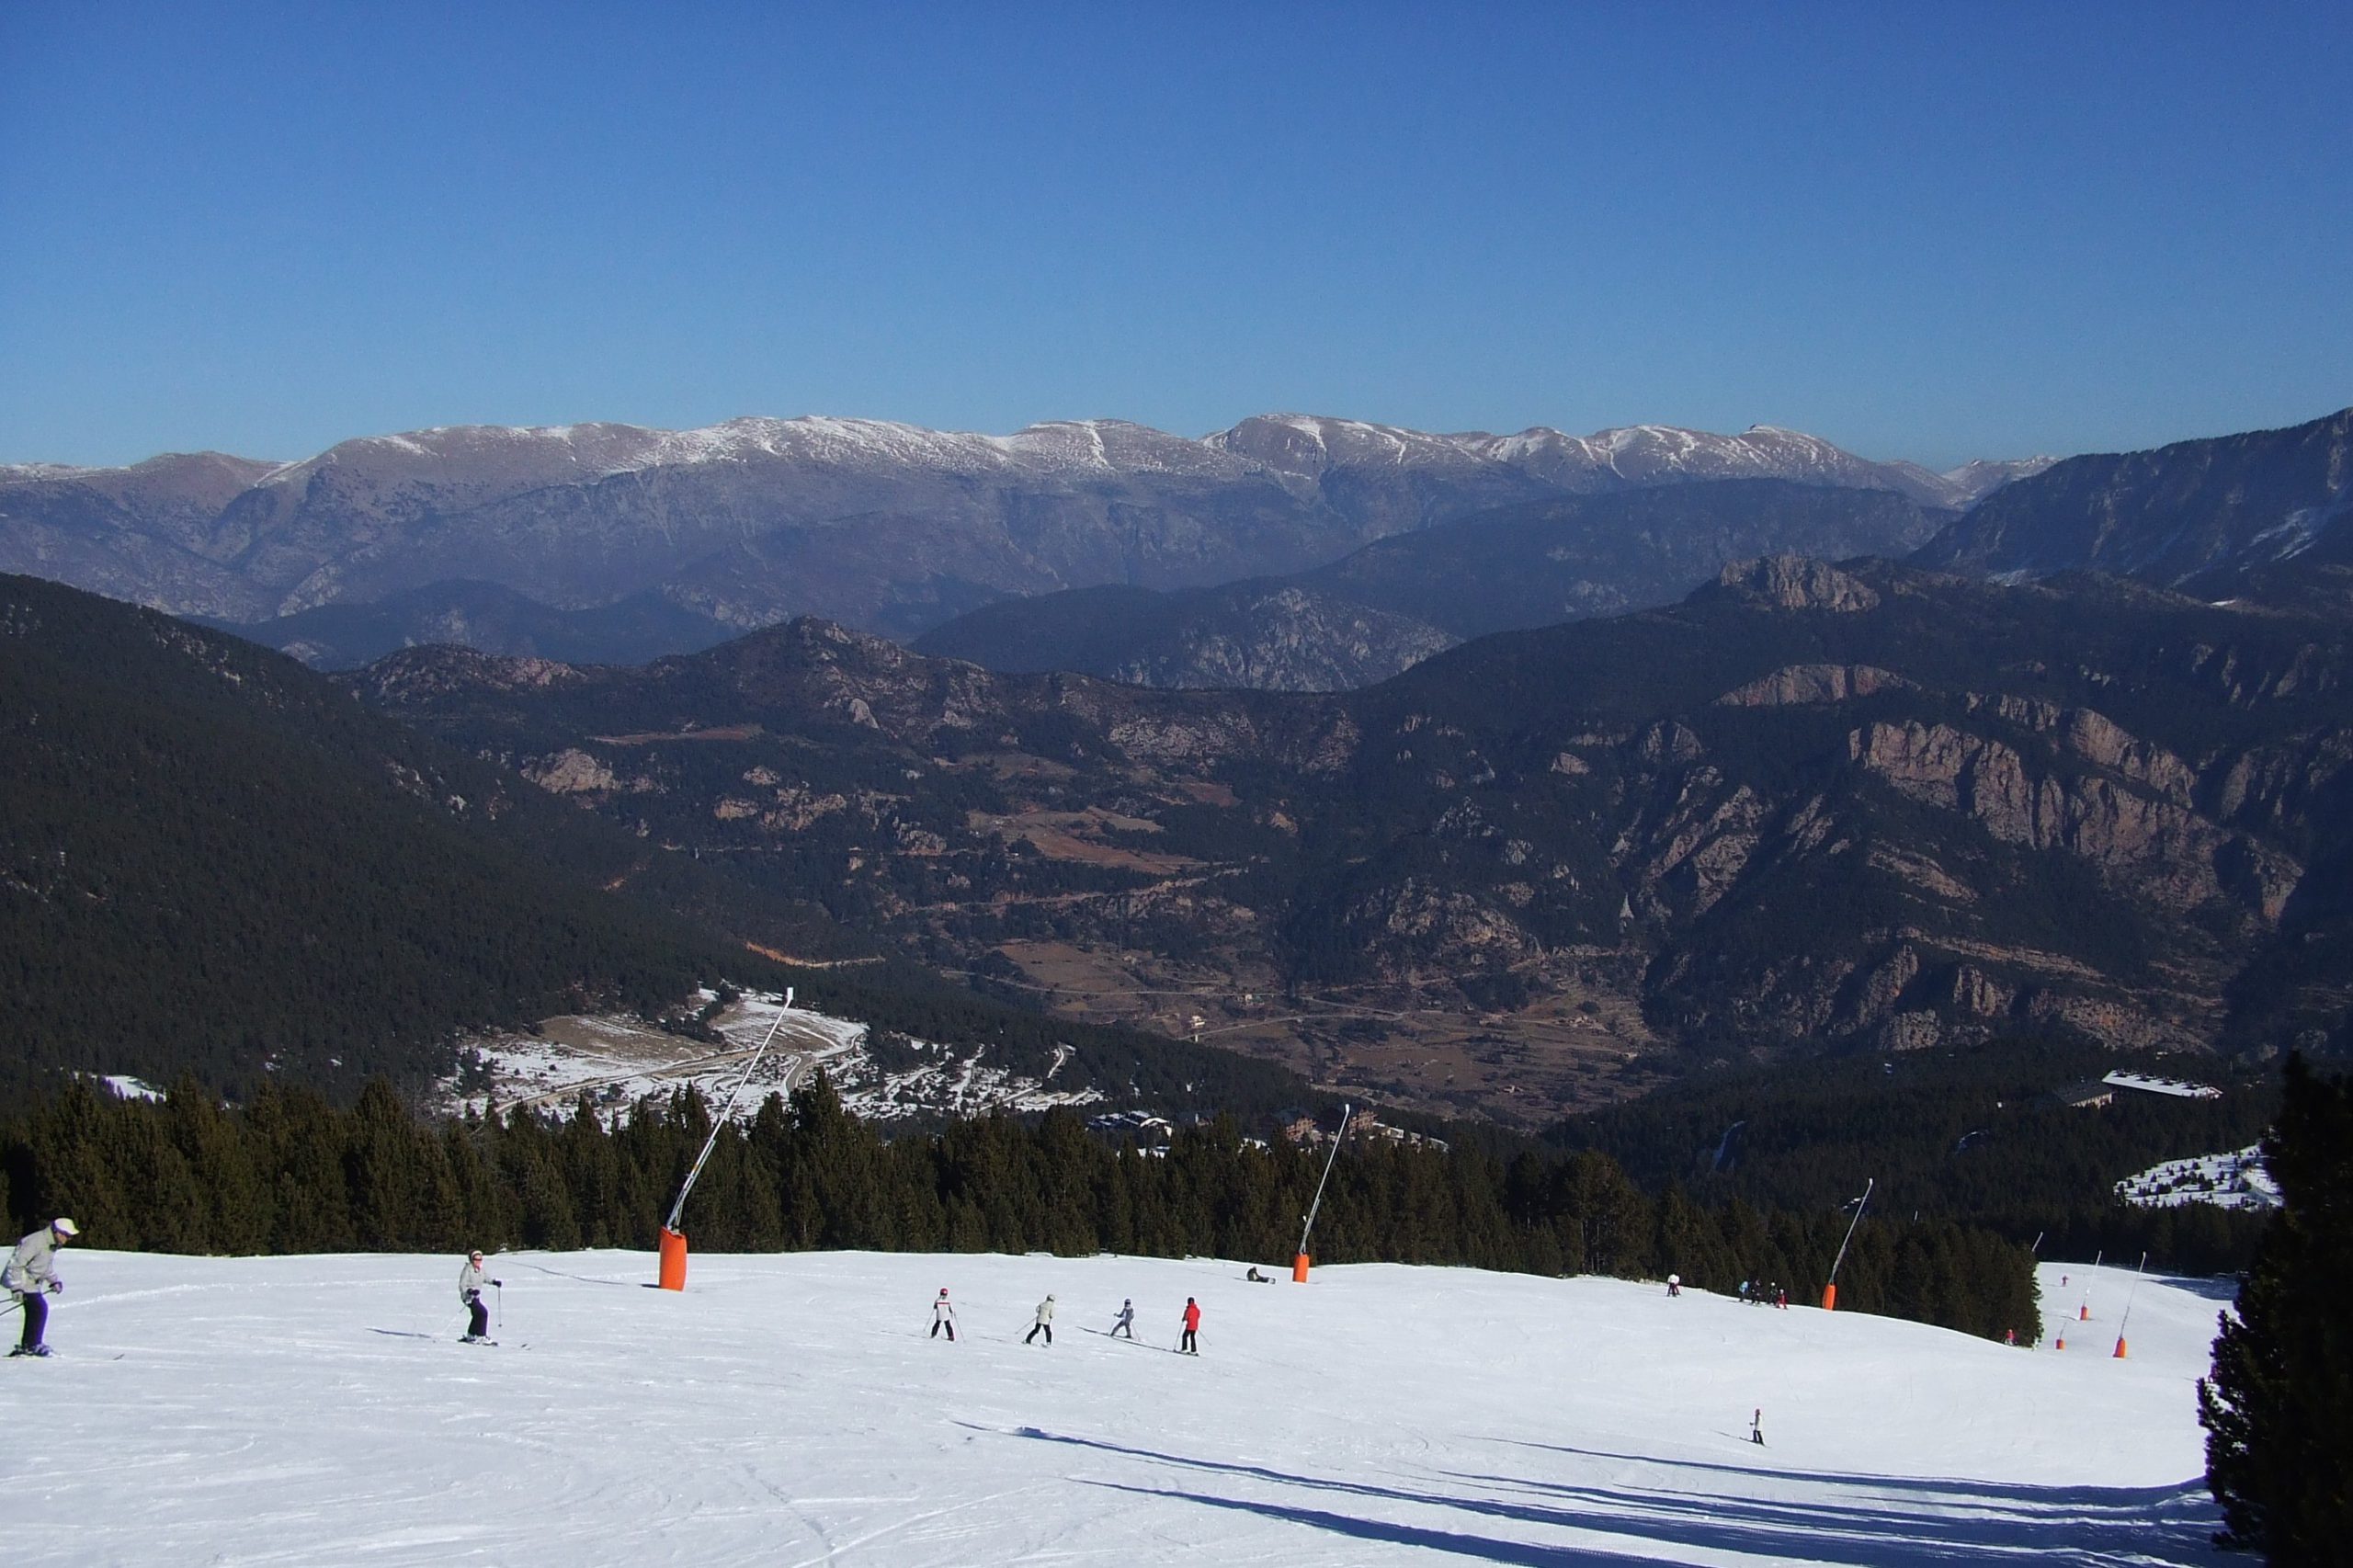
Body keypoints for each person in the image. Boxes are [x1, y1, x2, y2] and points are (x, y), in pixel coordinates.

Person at [5, 1218, 77, 1358]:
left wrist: (53, 1281)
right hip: (23, 1282)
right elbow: (15, 1264)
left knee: (37, 1310)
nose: (67, 1239)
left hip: (33, 1284)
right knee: (39, 1308)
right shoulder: (35, 1242)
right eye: (66, 1235)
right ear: (57, 1232)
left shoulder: (50, 1244)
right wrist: (16, 1287)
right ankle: (31, 1345)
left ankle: (29, 1344)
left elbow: (44, 1266)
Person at [457, 1249, 501, 1343]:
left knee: (477, 1314)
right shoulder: (467, 1269)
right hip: (468, 1297)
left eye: (480, 1259)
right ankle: (481, 1336)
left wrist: (494, 1282)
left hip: (476, 1297)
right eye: (476, 1259)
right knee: (483, 1312)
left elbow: (486, 1278)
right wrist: (470, 1291)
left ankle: (471, 1335)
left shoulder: (481, 1269)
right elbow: (462, 1285)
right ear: (472, 1260)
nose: (478, 1261)